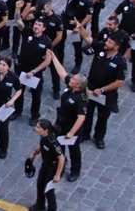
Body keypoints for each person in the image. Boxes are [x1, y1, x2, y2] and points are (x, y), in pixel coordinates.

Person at [72, 21, 126, 150]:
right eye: (107, 41)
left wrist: (102, 90)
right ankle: (85, 134)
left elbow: (119, 82)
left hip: (105, 95)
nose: (106, 43)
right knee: (87, 113)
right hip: (90, 89)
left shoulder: (120, 63)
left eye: (109, 43)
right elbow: (88, 38)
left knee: (103, 117)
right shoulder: (101, 48)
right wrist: (81, 28)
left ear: (117, 47)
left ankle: (99, 137)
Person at [48, 50, 87, 182]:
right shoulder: (71, 87)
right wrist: (54, 58)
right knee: (59, 146)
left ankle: (75, 170)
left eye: (74, 79)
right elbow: (62, 73)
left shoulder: (80, 99)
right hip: (60, 122)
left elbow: (81, 118)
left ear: (79, 85)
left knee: (74, 149)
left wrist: (71, 133)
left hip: (72, 127)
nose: (71, 79)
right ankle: (61, 165)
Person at [27, 119, 65, 211]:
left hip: (54, 168)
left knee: (48, 191)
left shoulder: (53, 143)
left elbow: (61, 158)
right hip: (46, 165)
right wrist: (34, 153)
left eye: (38, 127)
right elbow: (42, 145)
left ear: (46, 130)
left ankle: (52, 209)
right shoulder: (44, 137)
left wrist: (57, 175)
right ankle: (40, 206)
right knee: (40, 184)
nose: (36, 128)